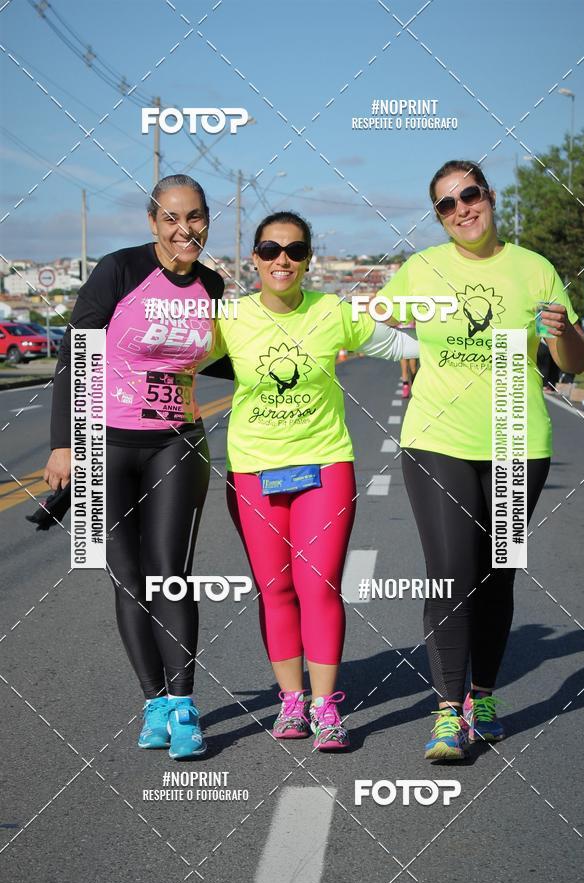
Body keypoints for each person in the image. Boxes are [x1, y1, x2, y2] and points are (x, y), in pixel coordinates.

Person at [376, 160, 584, 760]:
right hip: (437, 439)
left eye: (469, 195)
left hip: (518, 440)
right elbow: (369, 322)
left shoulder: (534, 269)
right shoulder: (422, 268)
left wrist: (562, 329)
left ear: (489, 197)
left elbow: (571, 359)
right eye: (446, 204)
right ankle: (449, 713)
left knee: (498, 576)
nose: (462, 209)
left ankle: (484, 696)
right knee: (451, 572)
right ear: (439, 217)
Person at [211, 211, 418, 751]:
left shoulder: (332, 312)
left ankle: (327, 707)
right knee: (275, 588)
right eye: (271, 249)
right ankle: (292, 702)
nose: (283, 259)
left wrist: (496, 348)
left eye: (295, 250)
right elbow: (168, 357)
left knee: (318, 584)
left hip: (324, 465)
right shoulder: (229, 319)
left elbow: (404, 347)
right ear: (254, 258)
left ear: (309, 260)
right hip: (253, 470)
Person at [44, 174, 234, 760]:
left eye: (196, 217)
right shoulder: (120, 270)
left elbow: (227, 361)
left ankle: (183, 706)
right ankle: (153, 701)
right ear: (153, 223)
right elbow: (77, 353)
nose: (185, 230)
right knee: (127, 580)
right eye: (173, 218)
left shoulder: (212, 284)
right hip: (104, 445)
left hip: (175, 442)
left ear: (207, 219)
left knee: (169, 573)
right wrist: (63, 444)